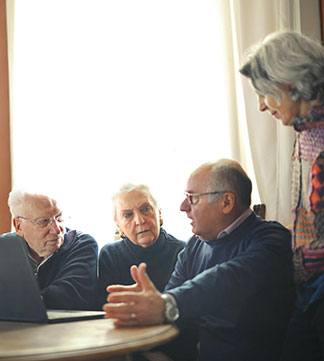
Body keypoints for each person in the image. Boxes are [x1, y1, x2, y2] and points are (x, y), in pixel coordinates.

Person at [103, 159, 294, 361]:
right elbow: (173, 310)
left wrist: (166, 304)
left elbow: (228, 278)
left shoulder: (273, 239)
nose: (183, 206)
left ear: (226, 202)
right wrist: (144, 308)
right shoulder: (194, 246)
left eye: (192, 198)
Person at [240, 30, 324, 360]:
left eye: (264, 93)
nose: (261, 106)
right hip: (308, 287)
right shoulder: (305, 132)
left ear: (288, 83)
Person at [2, 189, 98, 310]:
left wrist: (7, 302)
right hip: (12, 327)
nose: (57, 230)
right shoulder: (3, 247)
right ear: (18, 226)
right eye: (44, 221)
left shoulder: (81, 244)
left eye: (59, 218)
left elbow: (70, 296)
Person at [98, 183, 185, 307]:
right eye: (128, 215)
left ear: (159, 213)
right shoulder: (110, 255)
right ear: (119, 226)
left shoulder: (183, 251)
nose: (140, 220)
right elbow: (104, 308)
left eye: (145, 209)